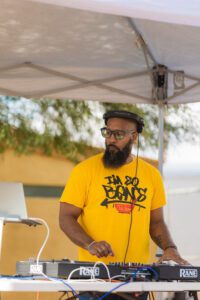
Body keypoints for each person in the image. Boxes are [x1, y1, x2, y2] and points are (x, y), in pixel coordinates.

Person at [59, 110, 188, 299]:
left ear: (134, 137)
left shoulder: (151, 175)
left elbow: (156, 222)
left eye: (118, 134)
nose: (111, 139)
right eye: (107, 132)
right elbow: (65, 217)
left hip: (137, 281)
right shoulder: (84, 171)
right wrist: (90, 244)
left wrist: (170, 248)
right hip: (95, 280)